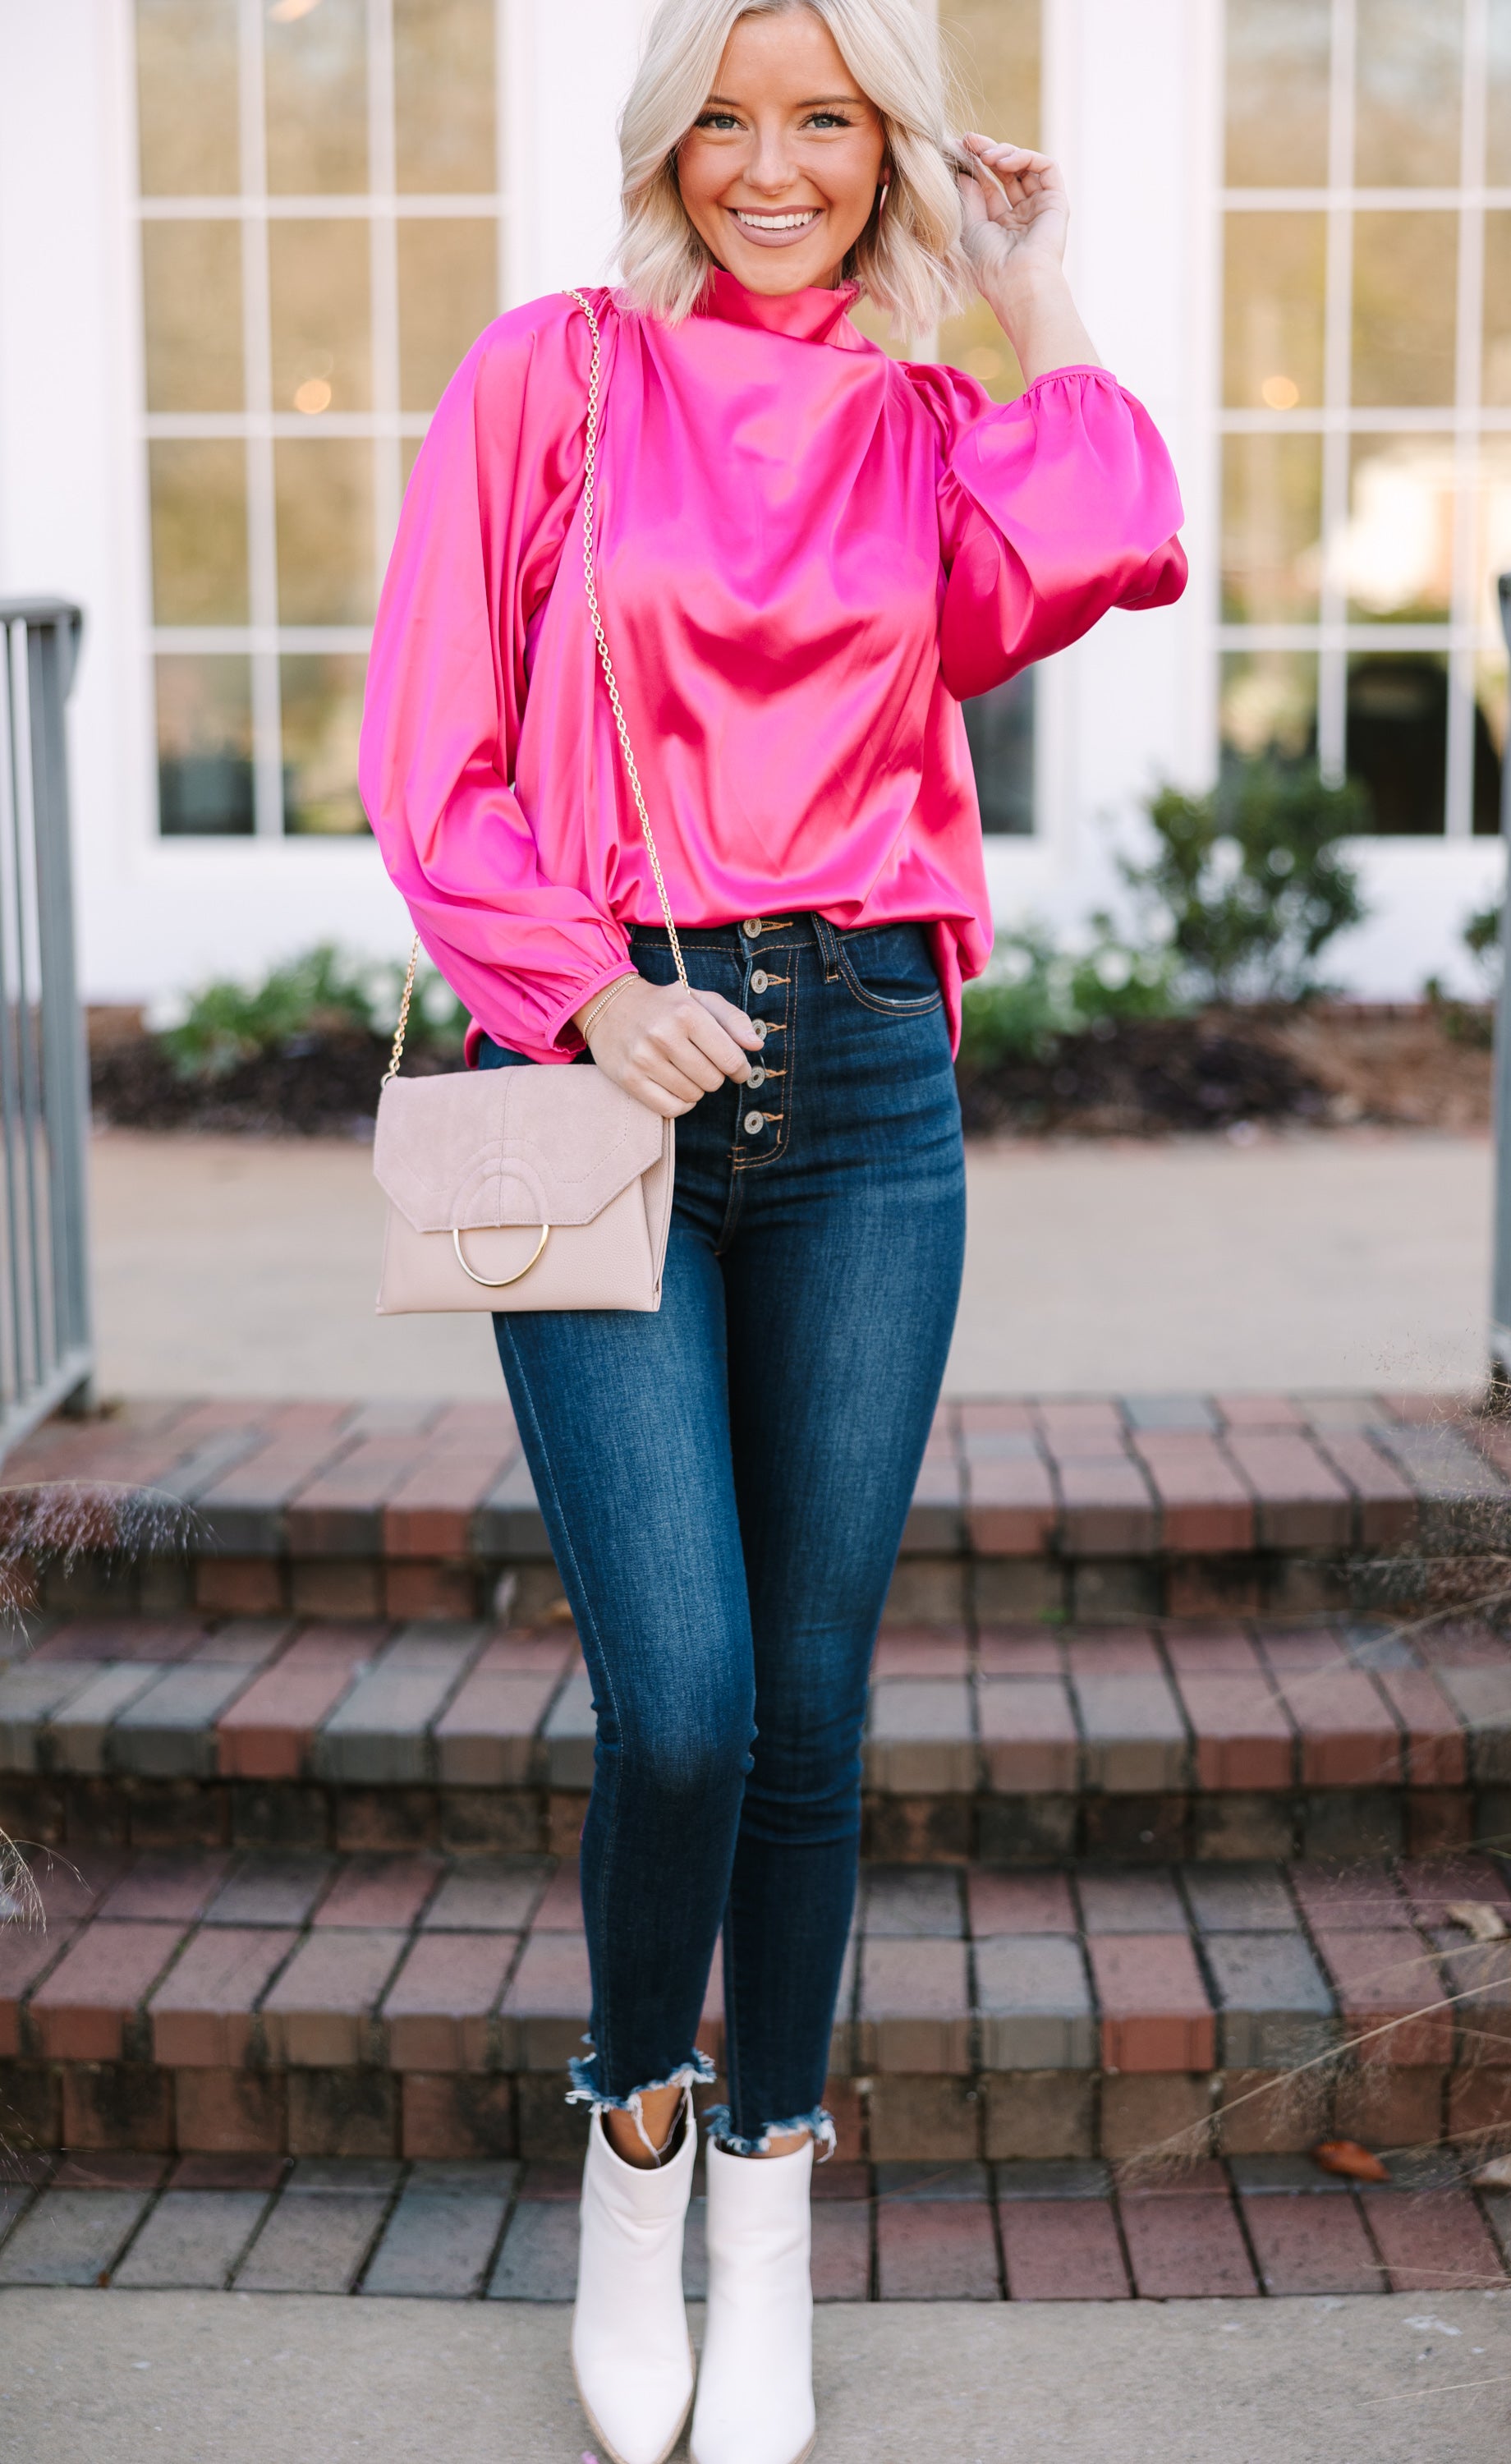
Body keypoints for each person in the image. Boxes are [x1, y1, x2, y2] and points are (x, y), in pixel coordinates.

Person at [361, 2, 1184, 2456]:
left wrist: (1037, 288)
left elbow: (1111, 538)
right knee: (688, 1697)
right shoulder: (555, 378)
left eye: (827, 115)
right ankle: (633, 2128)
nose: (772, 162)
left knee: (811, 1708)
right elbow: (431, 752)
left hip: (865, 1084)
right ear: (667, 143)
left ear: (891, 145)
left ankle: (769, 2190)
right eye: (727, 113)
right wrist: (586, 993)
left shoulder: (927, 425)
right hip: (595, 1062)